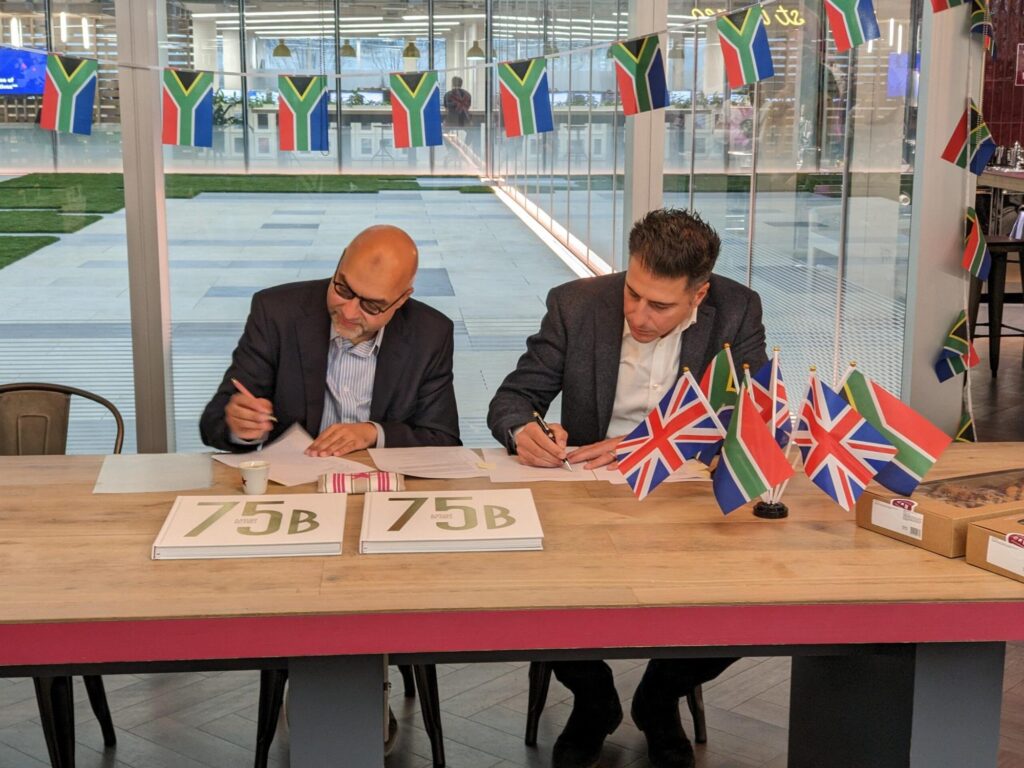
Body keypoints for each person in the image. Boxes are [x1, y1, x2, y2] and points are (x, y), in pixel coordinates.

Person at [487, 208, 768, 768]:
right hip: (587, 493)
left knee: (754, 606)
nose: (638, 315)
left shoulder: (736, 310)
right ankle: (594, 702)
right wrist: (525, 430)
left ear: (700, 294)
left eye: (659, 305)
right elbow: (512, 399)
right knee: (531, 593)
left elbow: (749, 419)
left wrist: (649, 444)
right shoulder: (576, 304)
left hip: (684, 493)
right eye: (633, 293)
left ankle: (658, 699)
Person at [200, 224, 460, 455]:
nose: (348, 312)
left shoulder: (430, 333)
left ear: (401, 299)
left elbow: (443, 439)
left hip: (382, 488)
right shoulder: (277, 313)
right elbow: (213, 424)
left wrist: (372, 434)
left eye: (370, 306)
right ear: (340, 263)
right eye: (343, 289)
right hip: (294, 485)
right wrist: (239, 426)